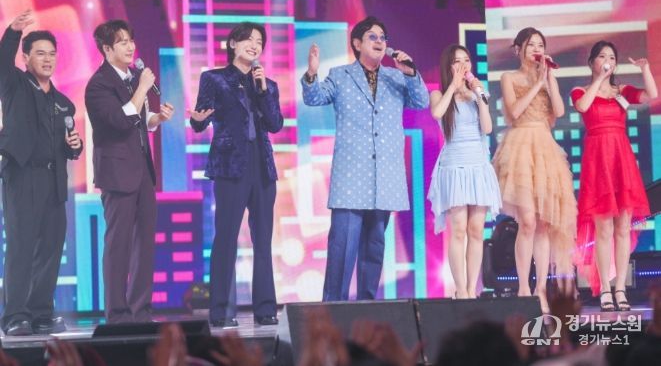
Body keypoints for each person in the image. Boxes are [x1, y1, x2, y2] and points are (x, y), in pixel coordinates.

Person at [302, 16, 429, 301]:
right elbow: (314, 98)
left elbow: (421, 102)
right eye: (373, 36)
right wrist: (311, 74)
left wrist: (411, 73)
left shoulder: (396, 77)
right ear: (357, 44)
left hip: (385, 176)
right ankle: (333, 307)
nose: (380, 41)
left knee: (374, 248)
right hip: (351, 176)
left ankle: (366, 306)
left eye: (383, 37)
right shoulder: (340, 75)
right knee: (342, 248)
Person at [189, 22, 283, 328]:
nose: (254, 45)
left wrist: (263, 91)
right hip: (230, 166)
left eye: (259, 42)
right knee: (226, 238)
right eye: (248, 40)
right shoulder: (214, 78)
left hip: (262, 167)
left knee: (263, 241)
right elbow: (201, 119)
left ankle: (265, 309)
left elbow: (275, 124)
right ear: (232, 44)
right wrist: (197, 120)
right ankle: (221, 310)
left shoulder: (267, 85)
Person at [85, 19, 174, 323]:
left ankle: (141, 310)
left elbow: (139, 121)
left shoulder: (133, 78)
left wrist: (157, 119)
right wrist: (143, 88)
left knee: (145, 244)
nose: (130, 46)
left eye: (131, 40)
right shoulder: (99, 84)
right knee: (118, 245)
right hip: (116, 174)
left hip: (142, 172)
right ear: (107, 49)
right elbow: (121, 121)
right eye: (122, 42)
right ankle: (118, 313)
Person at [0, 10, 82, 336]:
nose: (47, 59)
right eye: (40, 54)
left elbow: (66, 144)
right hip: (22, 176)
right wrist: (12, 32)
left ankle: (40, 313)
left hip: (54, 180)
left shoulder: (63, 103)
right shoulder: (15, 84)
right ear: (26, 57)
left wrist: (74, 146)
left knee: (51, 247)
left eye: (51, 54)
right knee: (21, 246)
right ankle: (15, 316)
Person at [491, 27, 576, 313]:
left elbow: (559, 113)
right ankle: (523, 287)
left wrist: (548, 79)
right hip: (520, 147)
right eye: (531, 45)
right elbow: (514, 112)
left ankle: (540, 288)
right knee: (526, 221)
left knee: (542, 223)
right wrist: (537, 84)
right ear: (519, 50)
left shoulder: (547, 76)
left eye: (541, 44)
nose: (537, 49)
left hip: (545, 148)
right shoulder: (509, 77)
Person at [571, 41, 656, 311]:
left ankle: (620, 288)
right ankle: (605, 289)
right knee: (604, 229)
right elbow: (583, 106)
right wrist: (599, 80)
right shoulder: (580, 90)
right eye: (602, 56)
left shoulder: (623, 91)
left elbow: (652, 94)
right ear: (592, 62)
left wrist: (645, 69)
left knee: (623, 227)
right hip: (598, 162)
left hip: (621, 160)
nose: (607, 60)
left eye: (611, 57)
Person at [427, 44, 501, 299]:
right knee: (458, 229)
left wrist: (480, 97)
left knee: (476, 230)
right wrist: (453, 86)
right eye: (457, 61)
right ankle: (460, 290)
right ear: (448, 66)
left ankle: (472, 288)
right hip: (454, 167)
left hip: (478, 165)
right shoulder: (439, 94)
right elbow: (437, 112)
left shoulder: (477, 93)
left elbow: (488, 128)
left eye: (466, 60)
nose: (463, 66)